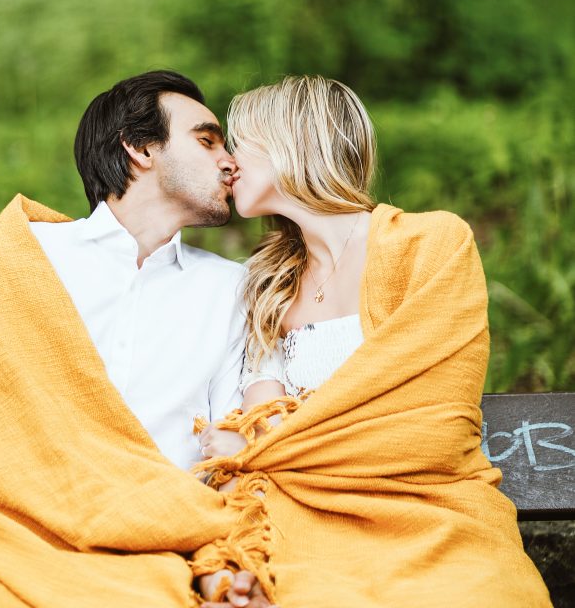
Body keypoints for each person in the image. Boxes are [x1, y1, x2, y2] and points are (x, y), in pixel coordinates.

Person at [0, 70, 273, 608]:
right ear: (138, 147)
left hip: (162, 561)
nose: (230, 161)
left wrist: (222, 566)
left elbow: (231, 457)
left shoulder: (232, 289)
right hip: (15, 556)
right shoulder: (22, 258)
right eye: (206, 140)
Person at [197, 75, 552, 608]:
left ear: (291, 141)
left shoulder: (431, 245)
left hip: (432, 517)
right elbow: (264, 418)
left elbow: (428, 423)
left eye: (237, 142)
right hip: (309, 525)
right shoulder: (265, 282)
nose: (226, 161)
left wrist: (260, 450)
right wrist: (266, 446)